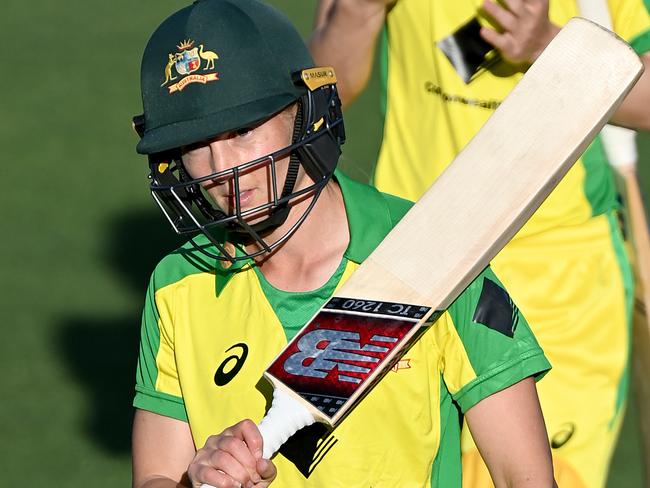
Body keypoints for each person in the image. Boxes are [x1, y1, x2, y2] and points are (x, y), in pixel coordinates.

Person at [130, 0, 558, 487]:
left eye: (243, 131)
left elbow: (525, 478)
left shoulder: (433, 251)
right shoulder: (177, 285)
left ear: (303, 113)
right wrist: (197, 481)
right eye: (193, 145)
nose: (220, 167)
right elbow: (155, 477)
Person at [309, 1, 650, 487]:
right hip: (409, 254)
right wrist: (357, 14)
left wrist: (547, 46)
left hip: (559, 277)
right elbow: (324, 88)